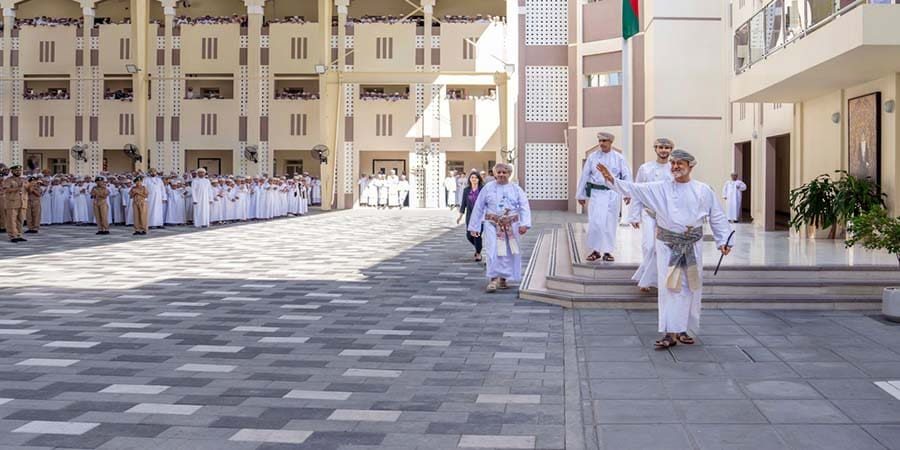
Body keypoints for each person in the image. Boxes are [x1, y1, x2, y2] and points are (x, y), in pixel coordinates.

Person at [596, 149, 733, 349]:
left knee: (691, 287)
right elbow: (635, 189)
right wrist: (613, 181)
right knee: (670, 286)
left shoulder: (703, 190)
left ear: (691, 166)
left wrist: (724, 240)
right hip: (668, 246)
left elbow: (717, 216)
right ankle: (670, 332)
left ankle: (685, 329)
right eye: (673, 163)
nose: (675, 166)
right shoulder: (660, 188)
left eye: (680, 163)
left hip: (693, 246)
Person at [467, 163, 532, 292]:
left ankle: (503, 279)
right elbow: (479, 206)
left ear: (509, 173)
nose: (501, 174)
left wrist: (525, 224)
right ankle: (493, 279)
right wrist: (475, 227)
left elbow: (524, 206)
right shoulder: (488, 188)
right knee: (492, 250)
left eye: (504, 172)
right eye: (499, 172)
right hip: (492, 225)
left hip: (511, 226)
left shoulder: (516, 189)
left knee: (509, 252)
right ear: (495, 173)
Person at [576, 132, 632, 262]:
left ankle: (607, 251)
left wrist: (627, 193)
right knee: (595, 223)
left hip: (612, 194)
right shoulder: (592, 157)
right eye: (600, 141)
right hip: (596, 193)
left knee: (610, 223)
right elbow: (585, 175)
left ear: (611, 142)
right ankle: (595, 251)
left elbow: (626, 176)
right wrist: (580, 194)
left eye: (605, 141)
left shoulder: (619, 158)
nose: (602, 143)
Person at [628, 138, 675, 292]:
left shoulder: (674, 169)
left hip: (667, 215)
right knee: (648, 246)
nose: (664, 150)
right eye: (661, 147)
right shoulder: (645, 168)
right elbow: (637, 192)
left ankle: (652, 280)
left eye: (667, 147)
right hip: (648, 213)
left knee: (662, 248)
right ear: (655, 148)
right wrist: (634, 215)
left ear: (671, 150)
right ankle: (647, 278)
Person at [458, 171, 485, 262]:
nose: (474, 179)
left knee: (477, 235)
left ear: (478, 179)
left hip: (480, 216)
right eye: (472, 177)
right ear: (469, 179)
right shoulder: (466, 190)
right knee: (469, 235)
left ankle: (478, 253)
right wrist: (460, 216)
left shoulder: (482, 189)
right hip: (470, 216)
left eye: (476, 177)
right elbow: (463, 204)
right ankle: (479, 247)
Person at [2, 165, 28, 242]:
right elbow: (6, 190)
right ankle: (12, 236)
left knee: (20, 220)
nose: (18, 172)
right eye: (16, 170)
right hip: (12, 203)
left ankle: (19, 235)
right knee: (11, 220)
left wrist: (31, 185)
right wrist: (17, 188)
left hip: (22, 202)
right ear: (12, 171)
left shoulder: (23, 179)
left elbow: (28, 189)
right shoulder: (8, 180)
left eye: (19, 170)